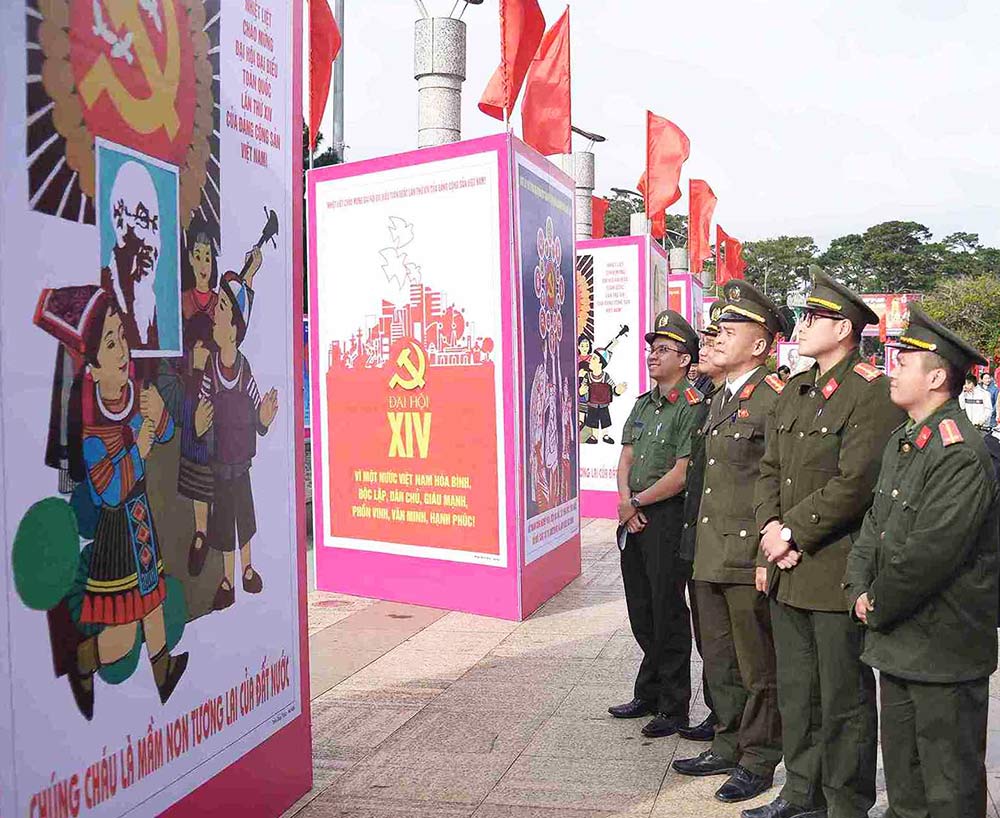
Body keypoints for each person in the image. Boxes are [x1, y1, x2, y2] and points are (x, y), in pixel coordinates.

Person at [746, 267, 905, 818]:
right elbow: (769, 468)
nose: (804, 324)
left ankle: (844, 802)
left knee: (844, 699)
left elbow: (855, 482)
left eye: (813, 317)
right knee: (798, 691)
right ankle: (799, 791)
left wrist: (792, 531)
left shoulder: (871, 393)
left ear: (843, 329)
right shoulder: (797, 388)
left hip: (835, 567)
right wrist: (770, 530)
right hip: (789, 565)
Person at [844, 307, 998, 818]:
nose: (893, 369)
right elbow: (875, 524)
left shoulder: (959, 452)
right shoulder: (905, 438)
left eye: (904, 361)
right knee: (906, 784)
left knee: (949, 788)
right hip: (900, 641)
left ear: (936, 378)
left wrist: (876, 601)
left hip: (943, 647)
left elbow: (931, 553)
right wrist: (856, 586)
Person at [673, 281, 786, 804]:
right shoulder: (720, 396)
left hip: (746, 556)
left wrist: (770, 553)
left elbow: (783, 481)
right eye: (715, 328)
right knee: (717, 657)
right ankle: (727, 742)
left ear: (761, 345)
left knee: (757, 663)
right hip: (710, 553)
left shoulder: (774, 399)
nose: (714, 337)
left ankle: (760, 757)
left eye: (729, 330)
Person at [608, 310, 703, 739]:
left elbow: (683, 473)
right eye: (651, 348)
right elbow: (626, 456)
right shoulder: (643, 403)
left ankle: (673, 705)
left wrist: (636, 501)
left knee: (667, 610)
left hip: (666, 517)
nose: (652, 355)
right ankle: (648, 691)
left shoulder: (690, 406)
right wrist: (625, 500)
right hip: (635, 512)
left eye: (663, 349)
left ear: (684, 359)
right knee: (641, 609)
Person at [677, 304, 725, 744]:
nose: (707, 348)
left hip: (731, 542)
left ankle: (731, 723)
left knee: (732, 645)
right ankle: (718, 713)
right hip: (699, 531)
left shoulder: (752, 397)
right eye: (707, 340)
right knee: (707, 634)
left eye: (715, 339)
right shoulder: (707, 396)